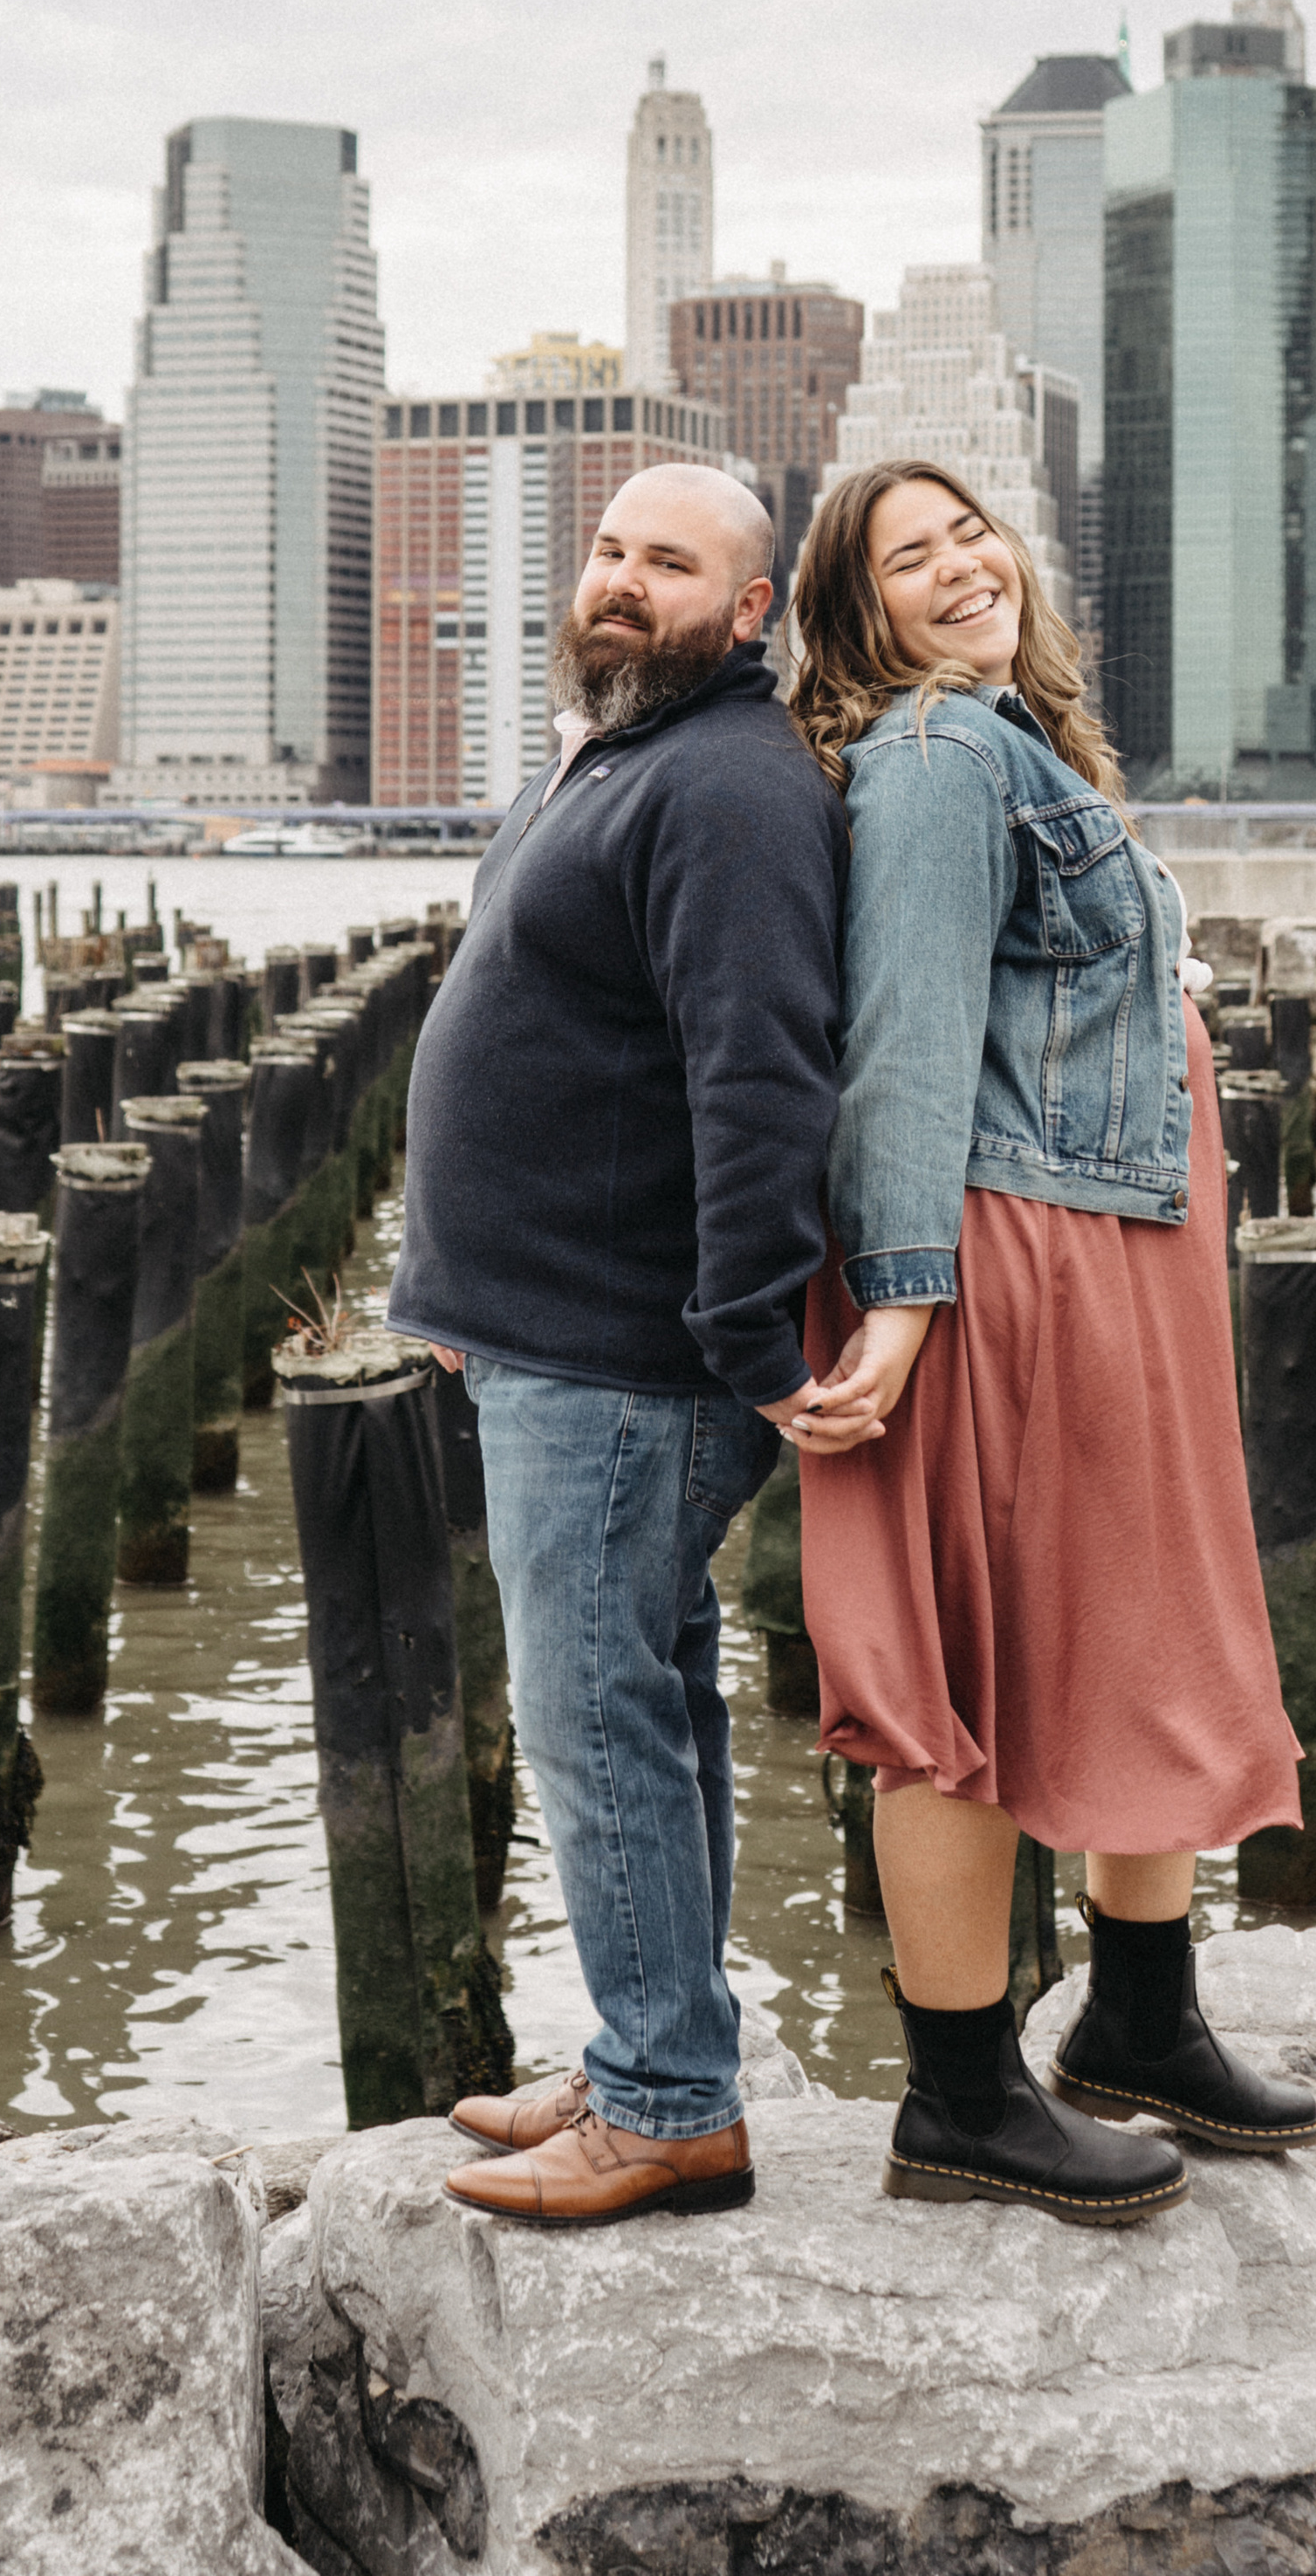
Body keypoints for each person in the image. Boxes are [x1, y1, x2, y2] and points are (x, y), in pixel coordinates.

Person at [780, 457, 1316, 2227]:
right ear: (858, 617)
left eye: (969, 533)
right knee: (972, 1663)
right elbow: (907, 1035)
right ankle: (957, 2098)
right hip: (1017, 1257)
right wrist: (904, 1293)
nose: (959, 567)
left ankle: (1140, 2020)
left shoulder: (1020, 744)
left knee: (1134, 1616)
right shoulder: (941, 755)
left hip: (1116, 1247)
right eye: (907, 559)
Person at [388, 461, 848, 2230]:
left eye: (669, 562)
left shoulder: (727, 782)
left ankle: (666, 2105)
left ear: (750, 611)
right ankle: (654, 2046)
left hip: (630, 1355)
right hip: (552, 1339)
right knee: (645, 1697)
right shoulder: (616, 754)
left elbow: (761, 1071)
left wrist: (743, 1331)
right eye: (606, 550)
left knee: (592, 1715)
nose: (619, 581)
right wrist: (464, 1300)